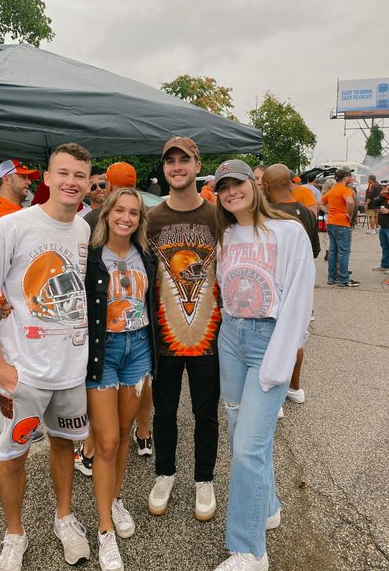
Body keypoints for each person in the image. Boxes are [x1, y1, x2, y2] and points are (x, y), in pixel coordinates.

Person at [0, 143, 92, 571]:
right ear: (46, 177)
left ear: (89, 181)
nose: (70, 182)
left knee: (64, 445)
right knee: (13, 453)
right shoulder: (12, 226)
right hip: (23, 371)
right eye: (63, 172)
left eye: (79, 174)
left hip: (71, 370)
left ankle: (64, 518)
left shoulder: (83, 229)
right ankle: (14, 533)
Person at [212, 159, 315, 571]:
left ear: (255, 186)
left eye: (238, 183)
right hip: (231, 339)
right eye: (223, 187)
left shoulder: (288, 232)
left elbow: (300, 301)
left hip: (267, 339)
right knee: (242, 433)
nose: (231, 191)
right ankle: (267, 507)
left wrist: (281, 357)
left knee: (248, 448)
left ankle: (250, 551)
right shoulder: (225, 235)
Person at [147, 136, 221, 522]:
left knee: (207, 414)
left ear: (196, 164)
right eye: (170, 161)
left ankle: (204, 478)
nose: (177, 167)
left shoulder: (217, 215)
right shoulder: (151, 219)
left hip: (210, 338)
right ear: (164, 168)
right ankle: (165, 472)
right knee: (165, 412)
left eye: (184, 160)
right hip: (165, 339)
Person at [85, 187, 157, 571]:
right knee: (107, 442)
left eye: (133, 212)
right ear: (107, 214)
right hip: (104, 352)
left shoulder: (145, 255)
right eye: (120, 211)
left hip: (139, 350)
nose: (126, 218)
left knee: (126, 432)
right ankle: (104, 531)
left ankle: (115, 499)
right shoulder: (91, 256)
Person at [0, 159, 44, 444]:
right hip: (2, 307)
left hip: (21, 304)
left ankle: (25, 422)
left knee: (25, 365)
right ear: (7, 179)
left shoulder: (21, 211)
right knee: (8, 372)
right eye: (23, 177)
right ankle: (9, 428)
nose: (28, 182)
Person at [262, 164, 320, 406]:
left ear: (265, 187)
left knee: (271, 346)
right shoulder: (306, 213)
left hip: (272, 292)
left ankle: (274, 399)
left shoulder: (267, 215)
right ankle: (294, 387)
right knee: (296, 338)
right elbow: (314, 251)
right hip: (301, 289)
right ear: (290, 183)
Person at [320, 168, 360, 287]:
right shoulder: (345, 190)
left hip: (331, 222)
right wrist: (349, 215)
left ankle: (332, 277)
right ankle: (344, 278)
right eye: (349, 176)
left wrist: (329, 211)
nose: (350, 177)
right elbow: (350, 202)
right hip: (342, 223)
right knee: (343, 252)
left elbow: (320, 203)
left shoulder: (332, 190)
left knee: (333, 251)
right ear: (345, 177)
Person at [84, 162, 137, 231]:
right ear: (134, 187)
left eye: (103, 185)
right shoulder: (142, 213)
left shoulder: (92, 218)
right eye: (93, 187)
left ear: (109, 186)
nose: (99, 189)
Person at [372, 180, 389, 272]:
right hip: (383, 226)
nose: (384, 188)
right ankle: (385, 265)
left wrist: (388, 211)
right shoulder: (383, 197)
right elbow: (374, 204)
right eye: (382, 186)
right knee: (385, 247)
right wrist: (380, 196)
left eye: (386, 186)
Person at [318, 177, 336, 261]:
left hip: (325, 217)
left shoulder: (323, 194)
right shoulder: (335, 195)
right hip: (334, 217)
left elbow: (320, 205)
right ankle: (331, 252)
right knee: (333, 236)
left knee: (327, 236)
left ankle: (327, 251)